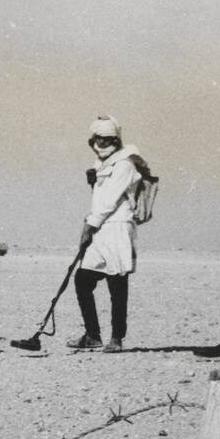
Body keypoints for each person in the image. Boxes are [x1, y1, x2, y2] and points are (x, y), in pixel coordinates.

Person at [68, 116, 145, 353]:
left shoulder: (124, 165)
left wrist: (88, 226)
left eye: (106, 139)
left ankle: (117, 338)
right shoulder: (102, 164)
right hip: (101, 228)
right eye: (97, 139)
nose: (101, 143)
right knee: (82, 280)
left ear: (116, 140)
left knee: (117, 284)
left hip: (118, 228)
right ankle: (92, 334)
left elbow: (110, 200)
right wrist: (92, 224)